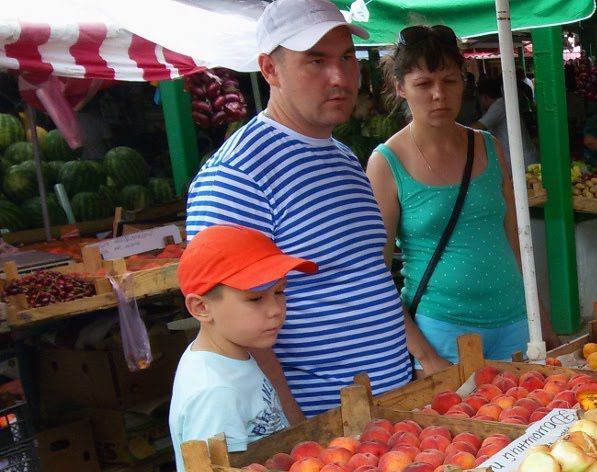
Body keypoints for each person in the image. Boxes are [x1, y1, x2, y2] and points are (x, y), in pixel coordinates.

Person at [187, 0, 443, 420]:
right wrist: (295, 428)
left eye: (346, 57)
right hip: (323, 426)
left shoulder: (343, 157)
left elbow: (368, 275)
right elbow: (230, 323)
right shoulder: (236, 175)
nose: (340, 77)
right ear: (270, 69)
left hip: (391, 407)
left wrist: (423, 361)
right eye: (316, 60)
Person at [367, 24, 546, 365]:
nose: (439, 94)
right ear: (400, 87)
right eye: (423, 84)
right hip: (442, 332)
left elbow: (515, 240)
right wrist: (424, 355)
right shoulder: (386, 163)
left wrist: (542, 318)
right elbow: (376, 273)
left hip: (516, 322)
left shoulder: (489, 147)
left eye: (449, 81)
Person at [169, 225, 306, 472]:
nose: (276, 309)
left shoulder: (235, 353)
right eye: (255, 299)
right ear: (201, 308)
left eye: (280, 292)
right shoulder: (213, 392)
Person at [476, 76, 538, 166]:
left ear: (484, 97)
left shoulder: (499, 105)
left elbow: (477, 127)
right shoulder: (502, 104)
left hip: (523, 163)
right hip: (521, 161)